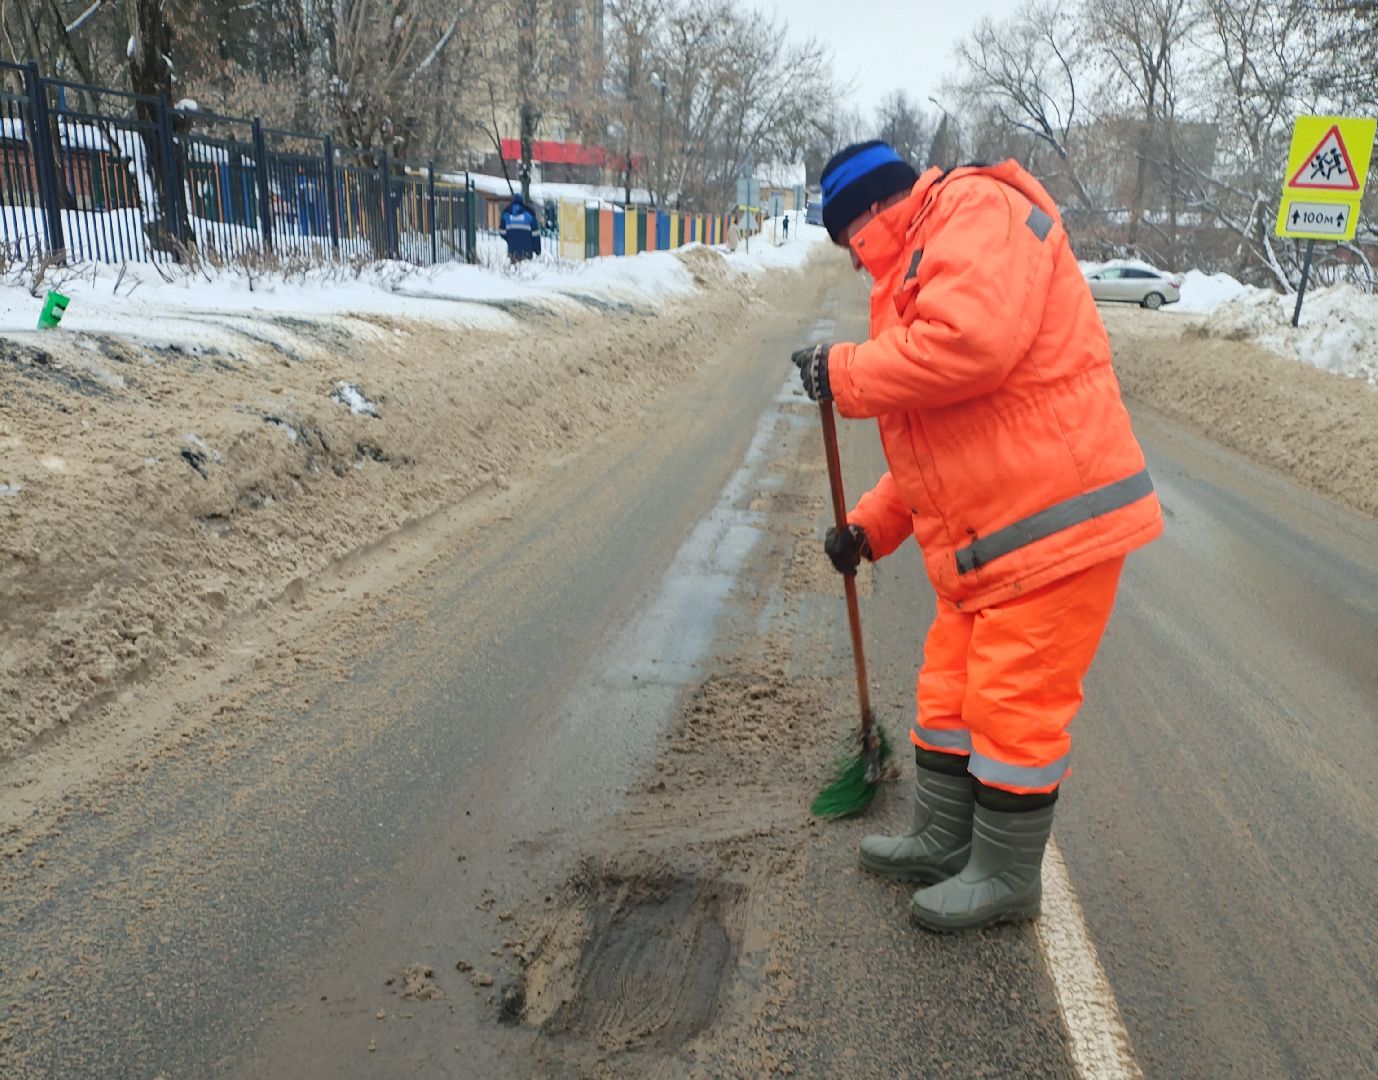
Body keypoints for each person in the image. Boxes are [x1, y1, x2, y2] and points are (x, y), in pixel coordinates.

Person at [791, 141, 1163, 933]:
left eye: (850, 242)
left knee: (1012, 704)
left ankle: (1005, 876)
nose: (855, 262)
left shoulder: (975, 210)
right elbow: (939, 446)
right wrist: (869, 527)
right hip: (991, 542)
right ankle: (942, 838)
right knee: (947, 694)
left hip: (1054, 526)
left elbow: (971, 346)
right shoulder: (918, 263)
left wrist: (848, 371)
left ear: (869, 213)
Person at [500, 192, 541, 263]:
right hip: (527, 251)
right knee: (527, 269)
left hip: (512, 250)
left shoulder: (506, 214)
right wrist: (537, 250)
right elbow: (535, 234)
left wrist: (510, 239)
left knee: (514, 268)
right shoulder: (529, 215)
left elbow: (502, 232)